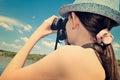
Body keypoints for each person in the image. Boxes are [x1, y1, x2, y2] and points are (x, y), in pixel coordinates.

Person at [0, 0, 120, 80]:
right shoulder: (102, 61)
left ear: (74, 18)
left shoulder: (70, 56)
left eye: (67, 19)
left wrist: (37, 34)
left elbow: (6, 78)